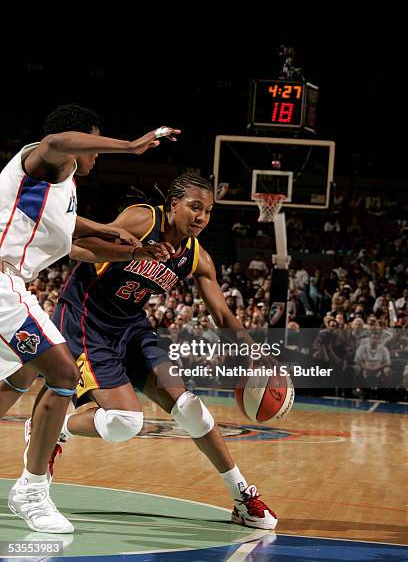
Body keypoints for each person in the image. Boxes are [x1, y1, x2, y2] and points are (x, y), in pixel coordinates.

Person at [20, 173, 278, 530]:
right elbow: (82, 242)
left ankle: (241, 497)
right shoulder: (144, 218)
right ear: (173, 206)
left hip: (132, 328)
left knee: (191, 409)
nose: (202, 217)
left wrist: (255, 353)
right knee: (126, 422)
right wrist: (134, 250)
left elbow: (221, 313)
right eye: (195, 207)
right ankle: (52, 425)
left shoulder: (197, 258)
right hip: (87, 320)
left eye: (208, 211)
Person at [0, 103, 180, 533]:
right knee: (62, 371)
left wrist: (131, 247)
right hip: (2, 279)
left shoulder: (60, 193)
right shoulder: (46, 162)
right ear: (81, 141)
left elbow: (78, 249)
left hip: (14, 284)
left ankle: (31, 485)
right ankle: (32, 489)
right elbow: (57, 141)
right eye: (94, 145)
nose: (97, 156)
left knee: (22, 375)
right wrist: (130, 145)